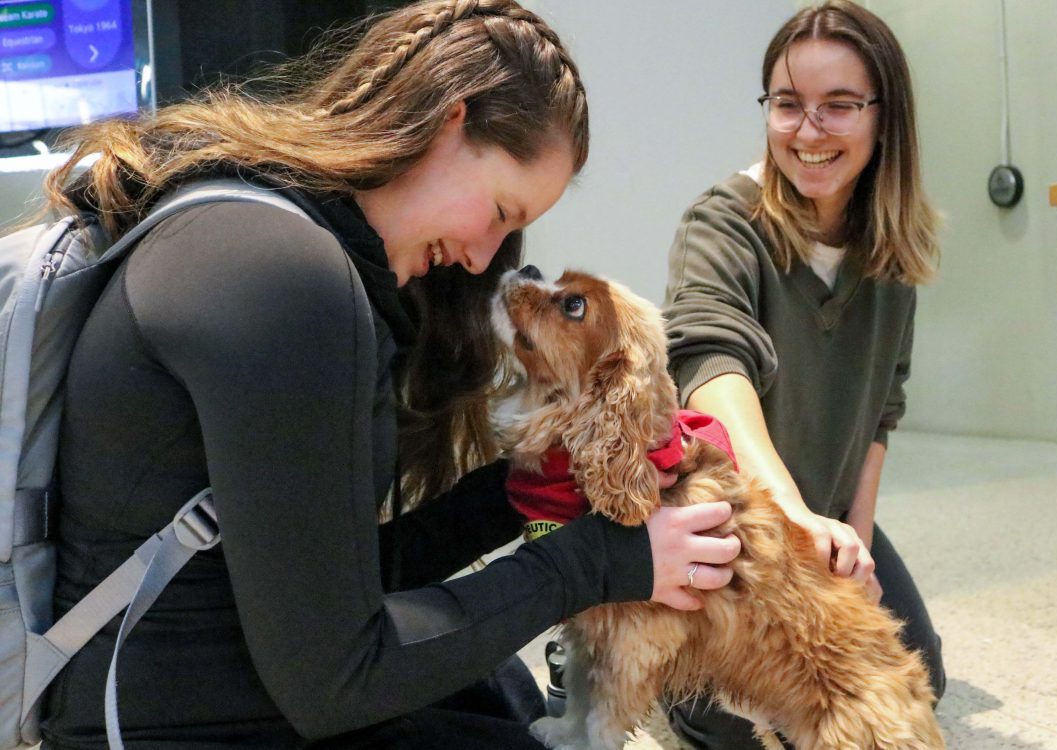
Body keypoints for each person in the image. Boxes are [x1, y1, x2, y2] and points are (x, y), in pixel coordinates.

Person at [37, 1, 740, 748]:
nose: (482, 257)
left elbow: (331, 584)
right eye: (500, 211)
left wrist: (521, 489)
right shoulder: (282, 279)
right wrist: (604, 562)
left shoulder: (247, 233)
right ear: (448, 121)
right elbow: (337, 679)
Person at [661, 2, 945, 747]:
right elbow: (709, 364)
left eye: (839, 107)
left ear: (886, 120)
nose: (807, 132)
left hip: (819, 514)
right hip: (739, 522)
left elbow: (881, 408)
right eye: (788, 105)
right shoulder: (723, 224)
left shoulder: (891, 254)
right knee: (734, 719)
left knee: (917, 683)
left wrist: (853, 541)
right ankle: (617, 646)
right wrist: (787, 517)